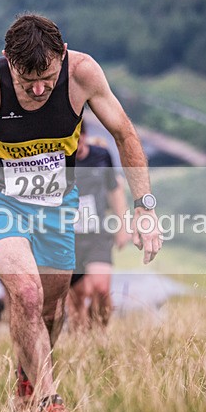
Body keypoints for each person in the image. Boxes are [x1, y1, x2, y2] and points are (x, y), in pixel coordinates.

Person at [0, 13, 161, 412]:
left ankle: (26, 379)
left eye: (47, 76)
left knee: (51, 307)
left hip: (55, 203)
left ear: (61, 57)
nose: (39, 88)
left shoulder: (83, 73)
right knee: (25, 293)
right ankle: (49, 399)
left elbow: (124, 134)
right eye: (27, 83)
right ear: (8, 61)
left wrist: (144, 206)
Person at [67, 121, 130, 332]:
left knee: (101, 289)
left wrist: (123, 225)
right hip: (68, 237)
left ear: (84, 136)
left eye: (78, 139)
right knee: (77, 296)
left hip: (97, 234)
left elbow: (115, 190)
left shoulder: (101, 156)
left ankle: (99, 332)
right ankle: (80, 340)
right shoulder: (56, 162)